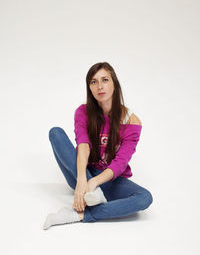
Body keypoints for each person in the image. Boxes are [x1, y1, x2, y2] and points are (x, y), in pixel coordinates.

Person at [43, 62, 153, 230]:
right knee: (55, 133)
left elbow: (120, 163)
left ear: (114, 84)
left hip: (109, 178)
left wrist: (94, 182)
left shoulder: (131, 122)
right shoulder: (83, 112)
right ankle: (92, 195)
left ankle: (82, 214)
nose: (99, 86)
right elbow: (83, 146)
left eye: (105, 80)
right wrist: (82, 180)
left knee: (145, 198)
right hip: (82, 172)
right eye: (93, 82)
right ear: (89, 87)